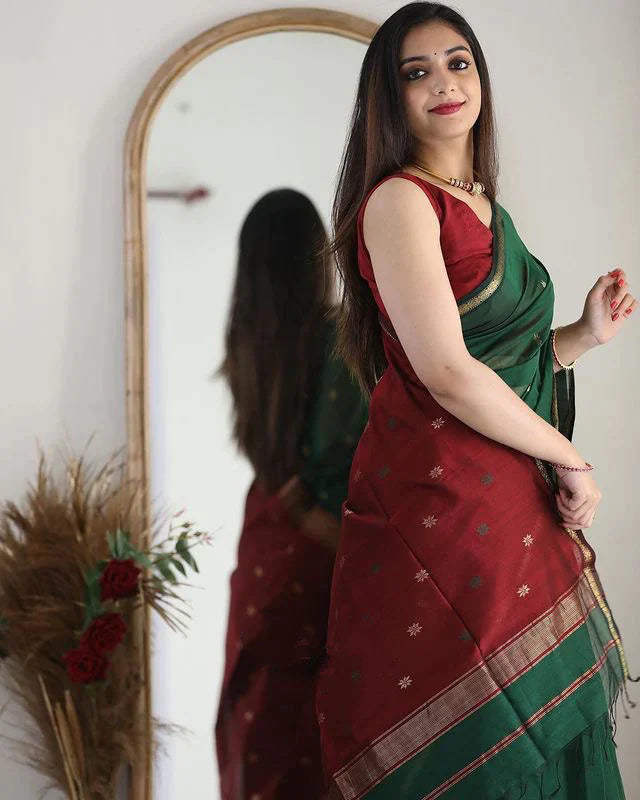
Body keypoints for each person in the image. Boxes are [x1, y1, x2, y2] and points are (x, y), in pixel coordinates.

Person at [316, 3, 637, 798]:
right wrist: (572, 459)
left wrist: (582, 336)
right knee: (483, 748)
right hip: (443, 506)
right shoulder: (400, 202)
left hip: (510, 499)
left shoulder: (485, 204)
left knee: (542, 731)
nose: (443, 83)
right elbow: (448, 373)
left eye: (458, 63)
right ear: (389, 98)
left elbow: (499, 364)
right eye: (416, 72)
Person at [215, 188, 369, 799]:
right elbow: (344, 461)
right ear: (315, 256)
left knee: (258, 719)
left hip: (265, 543)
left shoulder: (245, 346)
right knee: (316, 735)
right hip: (319, 544)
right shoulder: (338, 338)